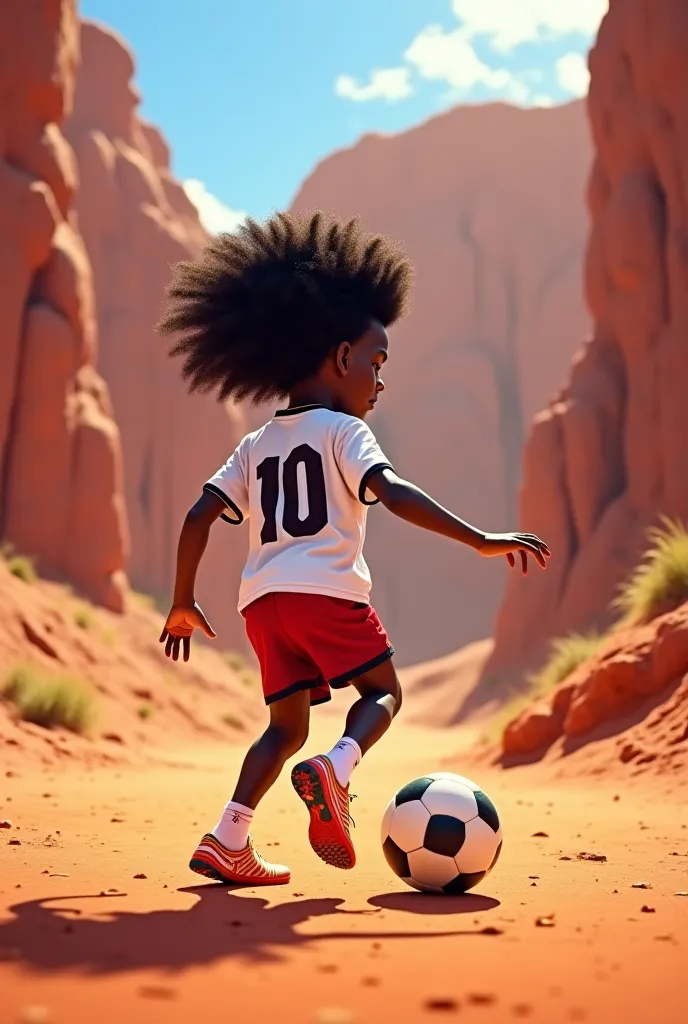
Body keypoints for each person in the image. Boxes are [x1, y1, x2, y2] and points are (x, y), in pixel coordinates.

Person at [157, 211, 550, 886]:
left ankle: (228, 836)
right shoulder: (344, 432)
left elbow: (199, 516)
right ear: (341, 358)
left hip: (263, 604)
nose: (379, 379)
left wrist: (182, 601)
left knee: (283, 728)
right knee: (383, 693)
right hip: (327, 593)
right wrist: (480, 539)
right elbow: (392, 494)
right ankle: (337, 770)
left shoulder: (255, 446)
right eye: (376, 362)